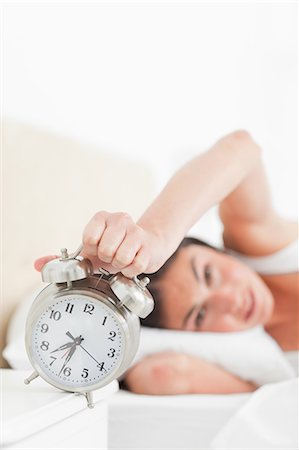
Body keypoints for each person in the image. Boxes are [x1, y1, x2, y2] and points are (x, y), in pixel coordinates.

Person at [34, 130, 298, 395]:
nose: (229, 300)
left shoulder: (260, 242)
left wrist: (156, 236)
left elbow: (241, 148)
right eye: (201, 315)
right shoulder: (259, 368)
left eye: (208, 274)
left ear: (219, 252)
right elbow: (164, 375)